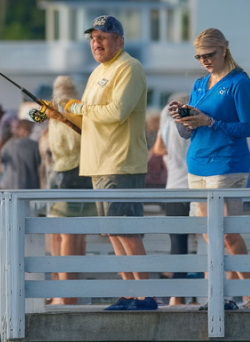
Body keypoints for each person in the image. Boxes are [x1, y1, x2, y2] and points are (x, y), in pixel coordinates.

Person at [170, 27, 250, 308]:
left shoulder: (239, 82)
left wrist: (210, 122)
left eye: (209, 54)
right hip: (197, 164)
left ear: (224, 49)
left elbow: (247, 128)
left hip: (227, 164)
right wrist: (183, 117)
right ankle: (217, 295)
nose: (205, 61)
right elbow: (190, 130)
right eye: (199, 57)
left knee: (227, 233)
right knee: (209, 235)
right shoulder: (200, 83)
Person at [62, 15, 149, 285]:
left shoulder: (129, 67)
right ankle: (130, 292)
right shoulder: (97, 72)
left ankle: (146, 293)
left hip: (120, 163)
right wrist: (61, 113)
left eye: (102, 37)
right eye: (92, 38)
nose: (95, 43)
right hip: (97, 164)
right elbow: (89, 118)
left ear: (119, 41)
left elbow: (117, 111)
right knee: (113, 232)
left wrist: (79, 108)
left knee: (127, 231)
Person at [46, 76, 95, 298]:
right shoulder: (76, 108)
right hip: (81, 171)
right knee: (75, 235)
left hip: (60, 172)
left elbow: (31, 116)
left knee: (62, 234)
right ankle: (69, 292)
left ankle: (62, 292)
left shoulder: (51, 113)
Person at [153, 92, 191, 290]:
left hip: (174, 189)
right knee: (208, 241)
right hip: (197, 188)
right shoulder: (194, 127)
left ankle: (177, 295)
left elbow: (158, 150)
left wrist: (162, 130)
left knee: (177, 244)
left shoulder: (168, 127)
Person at [0, 119, 42, 192]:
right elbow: (40, 166)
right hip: (31, 189)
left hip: (9, 189)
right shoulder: (35, 146)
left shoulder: (7, 146)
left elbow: (1, 166)